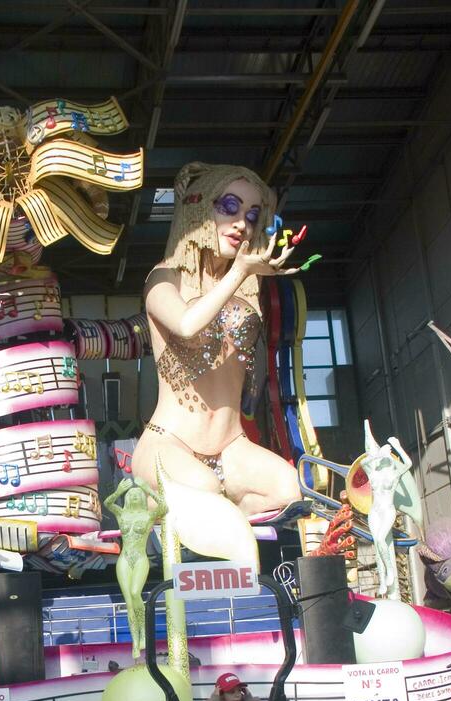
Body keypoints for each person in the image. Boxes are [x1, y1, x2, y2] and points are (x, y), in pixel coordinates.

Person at [131, 162, 302, 516]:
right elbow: (188, 325)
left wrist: (246, 276)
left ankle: (225, 527)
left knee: (290, 490)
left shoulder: (247, 289)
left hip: (232, 447)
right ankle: (169, 511)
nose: (242, 223)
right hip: (170, 443)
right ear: (199, 207)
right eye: (230, 207)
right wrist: (241, 271)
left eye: (253, 215)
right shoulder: (164, 279)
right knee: (204, 490)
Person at [104, 477, 167, 659]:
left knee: (135, 593)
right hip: (124, 559)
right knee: (129, 603)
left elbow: (164, 507)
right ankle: (135, 641)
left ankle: (144, 633)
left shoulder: (148, 515)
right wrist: (118, 491)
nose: (133, 496)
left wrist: (148, 489)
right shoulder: (121, 513)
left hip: (140, 558)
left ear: (142, 498)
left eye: (136, 494)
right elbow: (108, 503)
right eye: (130, 494)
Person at [362, 420, 413, 600]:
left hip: (387, 509)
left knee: (382, 539)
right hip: (375, 510)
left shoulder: (393, 474)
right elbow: (363, 463)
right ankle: (383, 579)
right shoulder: (374, 473)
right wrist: (377, 454)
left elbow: (408, 463)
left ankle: (390, 571)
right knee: (377, 543)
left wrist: (397, 446)